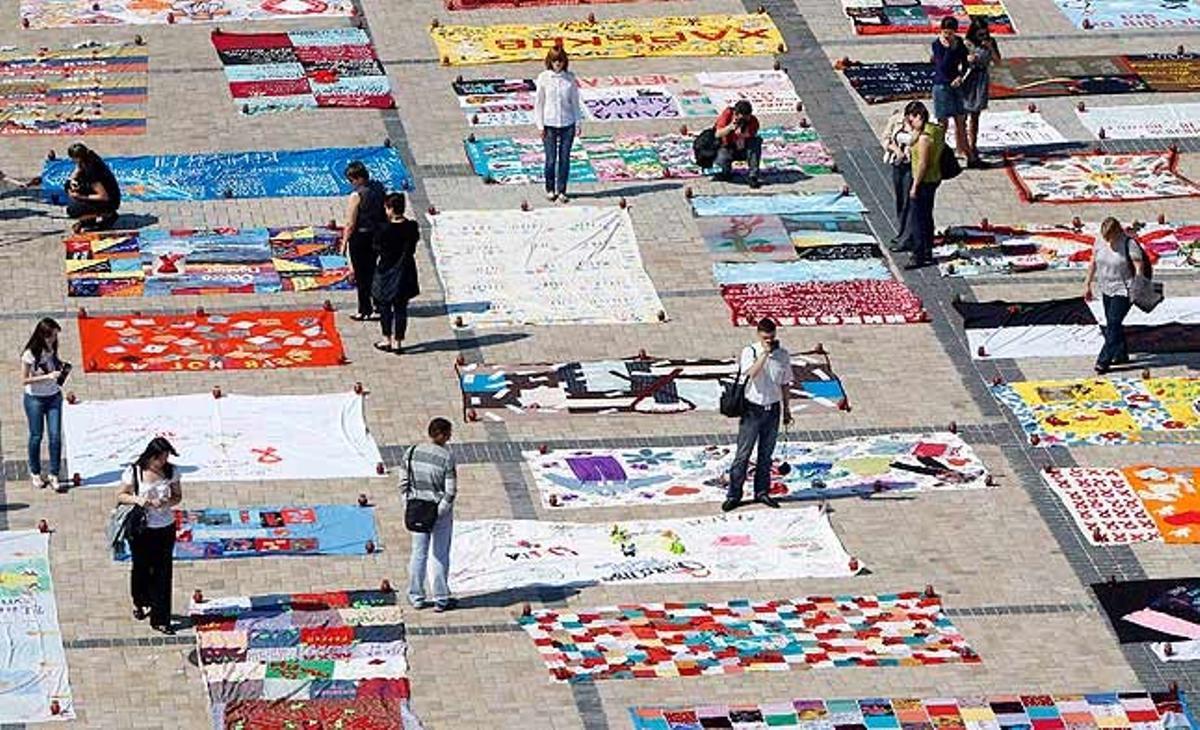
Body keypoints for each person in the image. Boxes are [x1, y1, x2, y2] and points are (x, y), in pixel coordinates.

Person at [724, 318, 793, 513]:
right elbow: (752, 373)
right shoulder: (750, 352)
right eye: (765, 338)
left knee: (766, 454)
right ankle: (734, 494)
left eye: (772, 338)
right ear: (758, 335)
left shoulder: (783, 355)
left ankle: (761, 491)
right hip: (752, 409)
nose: (769, 341)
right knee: (743, 454)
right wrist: (764, 354)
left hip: (773, 409)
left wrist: (787, 409)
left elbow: (786, 383)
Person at [115, 437, 182, 635]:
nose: (163, 462)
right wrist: (139, 500)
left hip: (164, 526)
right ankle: (141, 600)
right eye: (159, 459)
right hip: (141, 529)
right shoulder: (134, 472)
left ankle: (161, 618)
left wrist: (166, 502)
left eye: (165, 458)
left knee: (163, 571)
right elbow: (120, 495)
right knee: (142, 568)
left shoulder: (171, 472)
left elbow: (178, 496)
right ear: (150, 457)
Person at [404, 418, 458, 612]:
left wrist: (408, 503)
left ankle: (416, 596)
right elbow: (450, 491)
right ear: (442, 435)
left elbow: (404, 482)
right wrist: (440, 511)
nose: (451, 437)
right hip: (438, 512)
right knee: (439, 554)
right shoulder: (446, 457)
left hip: (417, 509)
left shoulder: (411, 452)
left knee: (418, 553)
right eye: (449, 433)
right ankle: (441, 598)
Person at [1084, 217, 1145, 374]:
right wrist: (1087, 284)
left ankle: (1103, 361)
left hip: (1124, 289)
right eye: (1104, 237)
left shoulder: (1129, 244)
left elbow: (1139, 267)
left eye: (1109, 237)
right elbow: (1093, 262)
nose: (1107, 241)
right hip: (1106, 288)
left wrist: (1138, 284)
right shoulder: (1099, 241)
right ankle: (1121, 354)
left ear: (1116, 232)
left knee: (1113, 323)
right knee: (1114, 324)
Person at [21, 318, 66, 492]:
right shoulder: (29, 354)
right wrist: (47, 377)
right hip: (35, 399)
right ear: (42, 335)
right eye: (51, 336)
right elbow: (24, 380)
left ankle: (54, 473)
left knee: (55, 436)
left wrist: (61, 369)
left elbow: (53, 361)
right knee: (36, 436)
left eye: (55, 336)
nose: (54, 340)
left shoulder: (52, 346)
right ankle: (35, 472)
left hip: (54, 396)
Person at [372, 192, 421, 353]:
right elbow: (413, 246)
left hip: (387, 270)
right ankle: (399, 342)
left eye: (386, 208)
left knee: (385, 305)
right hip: (406, 270)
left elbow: (376, 248)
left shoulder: (384, 229)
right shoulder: (412, 227)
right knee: (401, 308)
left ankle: (387, 339)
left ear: (391, 208)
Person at [339, 160, 387, 321]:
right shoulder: (379, 187)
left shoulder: (356, 195)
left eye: (351, 180)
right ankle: (379, 304)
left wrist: (344, 242)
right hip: (377, 235)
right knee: (373, 271)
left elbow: (350, 223)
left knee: (361, 275)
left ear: (358, 178)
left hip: (361, 237)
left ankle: (364, 309)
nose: (351, 184)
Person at [533, 47, 582, 203]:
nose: (558, 64)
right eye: (555, 61)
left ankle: (562, 190)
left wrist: (578, 122)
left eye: (560, 61)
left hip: (567, 123)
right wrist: (540, 126)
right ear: (550, 61)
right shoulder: (543, 78)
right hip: (549, 124)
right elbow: (539, 103)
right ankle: (550, 188)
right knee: (551, 159)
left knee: (565, 159)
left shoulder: (570, 78)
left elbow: (575, 102)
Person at [904, 100, 945, 270]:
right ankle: (928, 250)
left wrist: (915, 186)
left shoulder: (924, 138)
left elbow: (923, 164)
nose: (910, 123)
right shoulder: (934, 130)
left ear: (918, 116)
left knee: (918, 218)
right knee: (927, 216)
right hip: (934, 178)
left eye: (911, 119)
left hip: (924, 180)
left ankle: (919, 254)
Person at [961, 18, 1001, 167]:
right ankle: (963, 145)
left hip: (981, 78)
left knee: (975, 114)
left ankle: (973, 144)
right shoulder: (967, 44)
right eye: (980, 35)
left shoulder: (991, 42)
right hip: (968, 78)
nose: (983, 37)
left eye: (985, 34)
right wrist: (967, 58)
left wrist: (990, 48)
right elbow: (958, 60)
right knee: (963, 113)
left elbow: (998, 62)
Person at [931, 17, 969, 158]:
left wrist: (960, 76)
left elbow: (965, 62)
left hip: (956, 84)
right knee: (943, 122)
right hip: (941, 84)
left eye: (950, 33)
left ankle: (961, 149)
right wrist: (948, 49)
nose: (948, 36)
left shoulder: (959, 43)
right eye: (945, 32)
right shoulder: (937, 45)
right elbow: (942, 65)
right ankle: (939, 151)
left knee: (960, 118)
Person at [64, 143, 120, 233]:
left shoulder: (92, 171)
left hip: (110, 200)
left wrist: (79, 196)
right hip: (105, 193)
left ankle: (108, 214)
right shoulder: (88, 156)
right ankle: (88, 219)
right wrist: (71, 180)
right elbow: (78, 168)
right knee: (69, 190)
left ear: (77, 158)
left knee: (73, 210)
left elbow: (103, 196)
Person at [880, 108, 914, 250]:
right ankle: (902, 232)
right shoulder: (896, 120)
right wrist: (896, 150)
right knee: (900, 199)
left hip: (912, 166)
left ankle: (908, 237)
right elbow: (885, 138)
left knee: (909, 201)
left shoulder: (921, 127)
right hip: (897, 163)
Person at [712, 100, 763, 188]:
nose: (743, 120)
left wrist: (743, 135)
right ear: (735, 113)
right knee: (721, 157)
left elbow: (752, 135)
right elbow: (717, 134)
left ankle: (753, 176)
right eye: (741, 117)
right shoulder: (727, 114)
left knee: (756, 142)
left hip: (744, 150)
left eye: (747, 117)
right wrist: (730, 127)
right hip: (727, 147)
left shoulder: (753, 121)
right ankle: (726, 172)